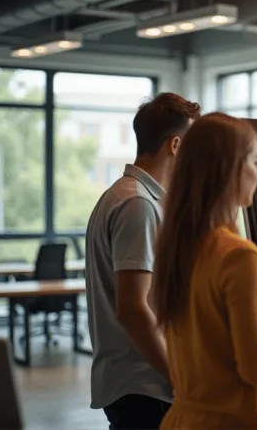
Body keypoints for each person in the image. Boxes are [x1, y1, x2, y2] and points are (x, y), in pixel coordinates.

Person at [151, 113, 257, 429]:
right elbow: (256, 367)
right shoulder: (241, 258)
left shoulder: (178, 249)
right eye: (254, 162)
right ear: (231, 170)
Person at [84, 92, 201, 429]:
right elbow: (133, 308)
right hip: (146, 388)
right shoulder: (138, 205)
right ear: (176, 145)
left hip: (142, 385)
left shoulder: (126, 196)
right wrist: (181, 380)